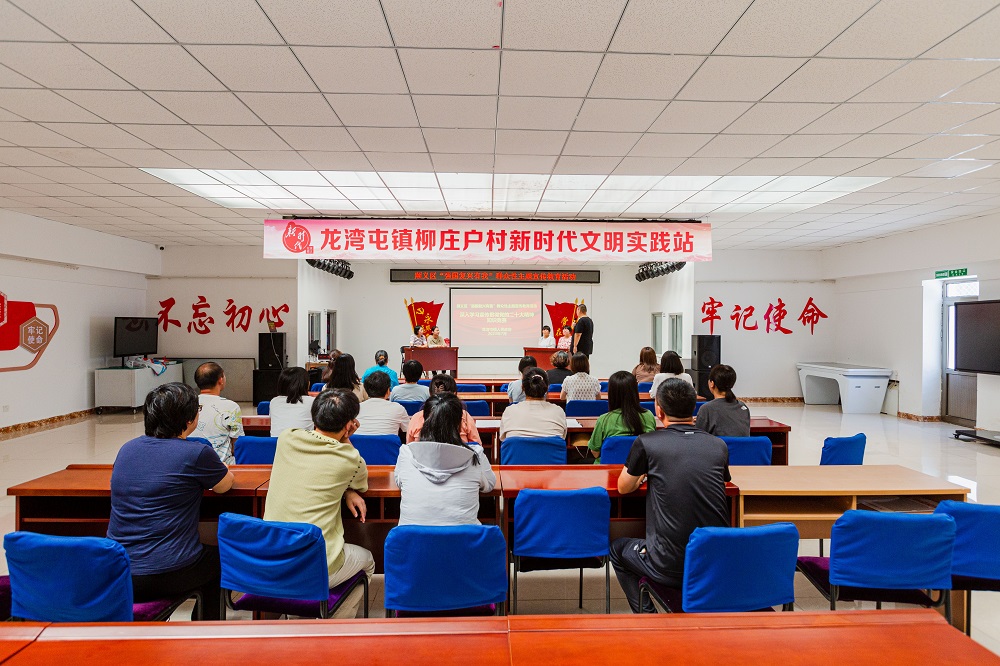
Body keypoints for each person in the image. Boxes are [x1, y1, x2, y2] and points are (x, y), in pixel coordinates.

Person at [108, 382, 234, 621]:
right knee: (219, 560)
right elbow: (224, 485)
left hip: (118, 569)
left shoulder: (127, 449)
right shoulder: (196, 452)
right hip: (166, 572)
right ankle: (206, 630)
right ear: (189, 419)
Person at [610, 378, 731, 613]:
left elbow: (624, 487)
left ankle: (648, 616)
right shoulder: (718, 445)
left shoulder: (647, 443)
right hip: (712, 564)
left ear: (659, 410)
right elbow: (724, 481)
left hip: (668, 567)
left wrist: (645, 474)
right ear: (694, 407)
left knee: (617, 548)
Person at [263, 389, 373, 618]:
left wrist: (345, 490)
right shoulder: (350, 458)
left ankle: (300, 615)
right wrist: (347, 441)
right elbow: (361, 484)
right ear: (349, 425)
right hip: (317, 564)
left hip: (273, 558)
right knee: (368, 561)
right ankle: (332, 626)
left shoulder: (286, 438)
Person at [394, 393, 496, 526]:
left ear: (424, 420)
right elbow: (489, 485)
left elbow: (399, 482)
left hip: (412, 538)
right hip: (463, 538)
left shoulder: (407, 453)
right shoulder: (475, 455)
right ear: (460, 422)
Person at [588, 371, 657, 463]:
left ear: (611, 394)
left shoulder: (604, 420)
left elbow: (595, 452)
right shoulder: (648, 415)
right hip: (641, 469)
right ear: (635, 392)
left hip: (608, 469)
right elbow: (652, 447)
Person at [406, 374, 482, 445]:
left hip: (424, 454)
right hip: (459, 455)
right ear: (454, 394)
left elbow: (410, 446)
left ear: (430, 394)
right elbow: (476, 445)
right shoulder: (464, 416)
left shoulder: (417, 417)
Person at [192, 362, 244, 465]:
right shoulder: (231, 407)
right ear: (220, 380)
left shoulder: (187, 404)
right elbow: (237, 445)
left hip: (190, 463)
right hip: (221, 466)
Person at [499, 368, 568, 441]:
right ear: (547, 388)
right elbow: (562, 437)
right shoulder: (558, 412)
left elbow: (503, 439)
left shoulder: (509, 411)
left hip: (519, 449)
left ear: (522, 387)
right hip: (549, 449)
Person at [695, 364, 751, 437]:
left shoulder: (706, 409)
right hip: (740, 445)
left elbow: (698, 437)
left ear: (712, 383)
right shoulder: (743, 407)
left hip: (718, 445)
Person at [355, 370, 410, 436]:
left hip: (357, 443)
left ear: (366, 391)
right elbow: (408, 430)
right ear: (388, 391)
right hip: (389, 443)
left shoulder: (356, 408)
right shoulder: (398, 408)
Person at [269, 367, 315, 437]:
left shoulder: (274, 401)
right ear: (307, 384)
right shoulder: (312, 402)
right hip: (303, 443)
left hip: (278, 443)